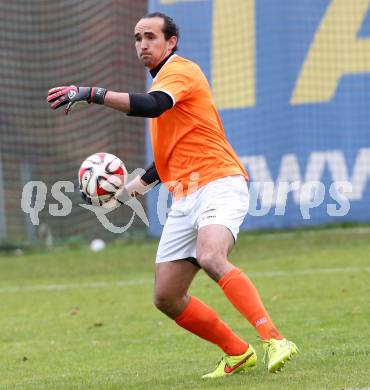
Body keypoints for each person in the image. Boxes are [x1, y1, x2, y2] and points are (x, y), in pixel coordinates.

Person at [47, 12, 298, 378]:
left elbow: (153, 105)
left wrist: (91, 94)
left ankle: (275, 339)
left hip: (219, 182)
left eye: (150, 36)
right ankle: (237, 353)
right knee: (166, 297)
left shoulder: (180, 71)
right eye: (137, 38)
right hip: (185, 196)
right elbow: (164, 163)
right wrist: (123, 193)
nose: (143, 44)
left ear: (171, 42)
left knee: (211, 256)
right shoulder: (163, 83)